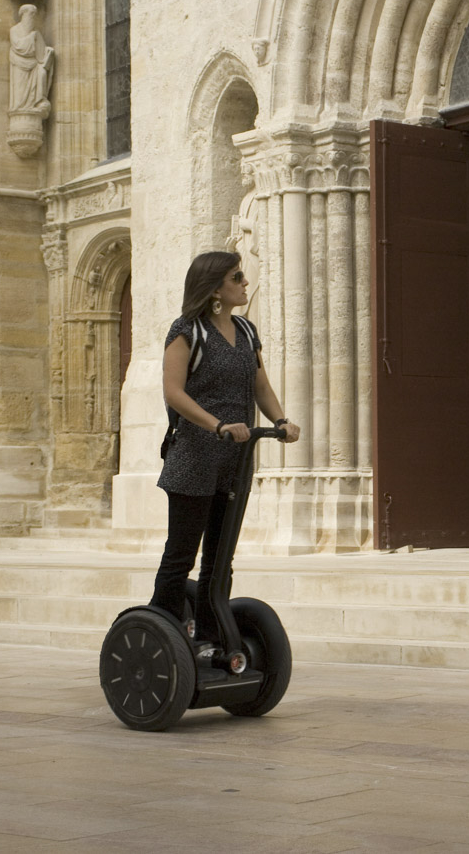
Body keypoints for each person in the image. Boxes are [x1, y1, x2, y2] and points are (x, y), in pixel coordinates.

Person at [151, 250, 300, 644]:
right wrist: (216, 425)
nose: (244, 282)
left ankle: (211, 635)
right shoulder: (187, 331)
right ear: (216, 287)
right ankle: (163, 636)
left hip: (235, 457)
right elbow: (173, 392)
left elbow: (260, 385)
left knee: (220, 558)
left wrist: (280, 421)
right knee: (180, 556)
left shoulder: (247, 331)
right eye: (237, 277)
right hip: (195, 456)